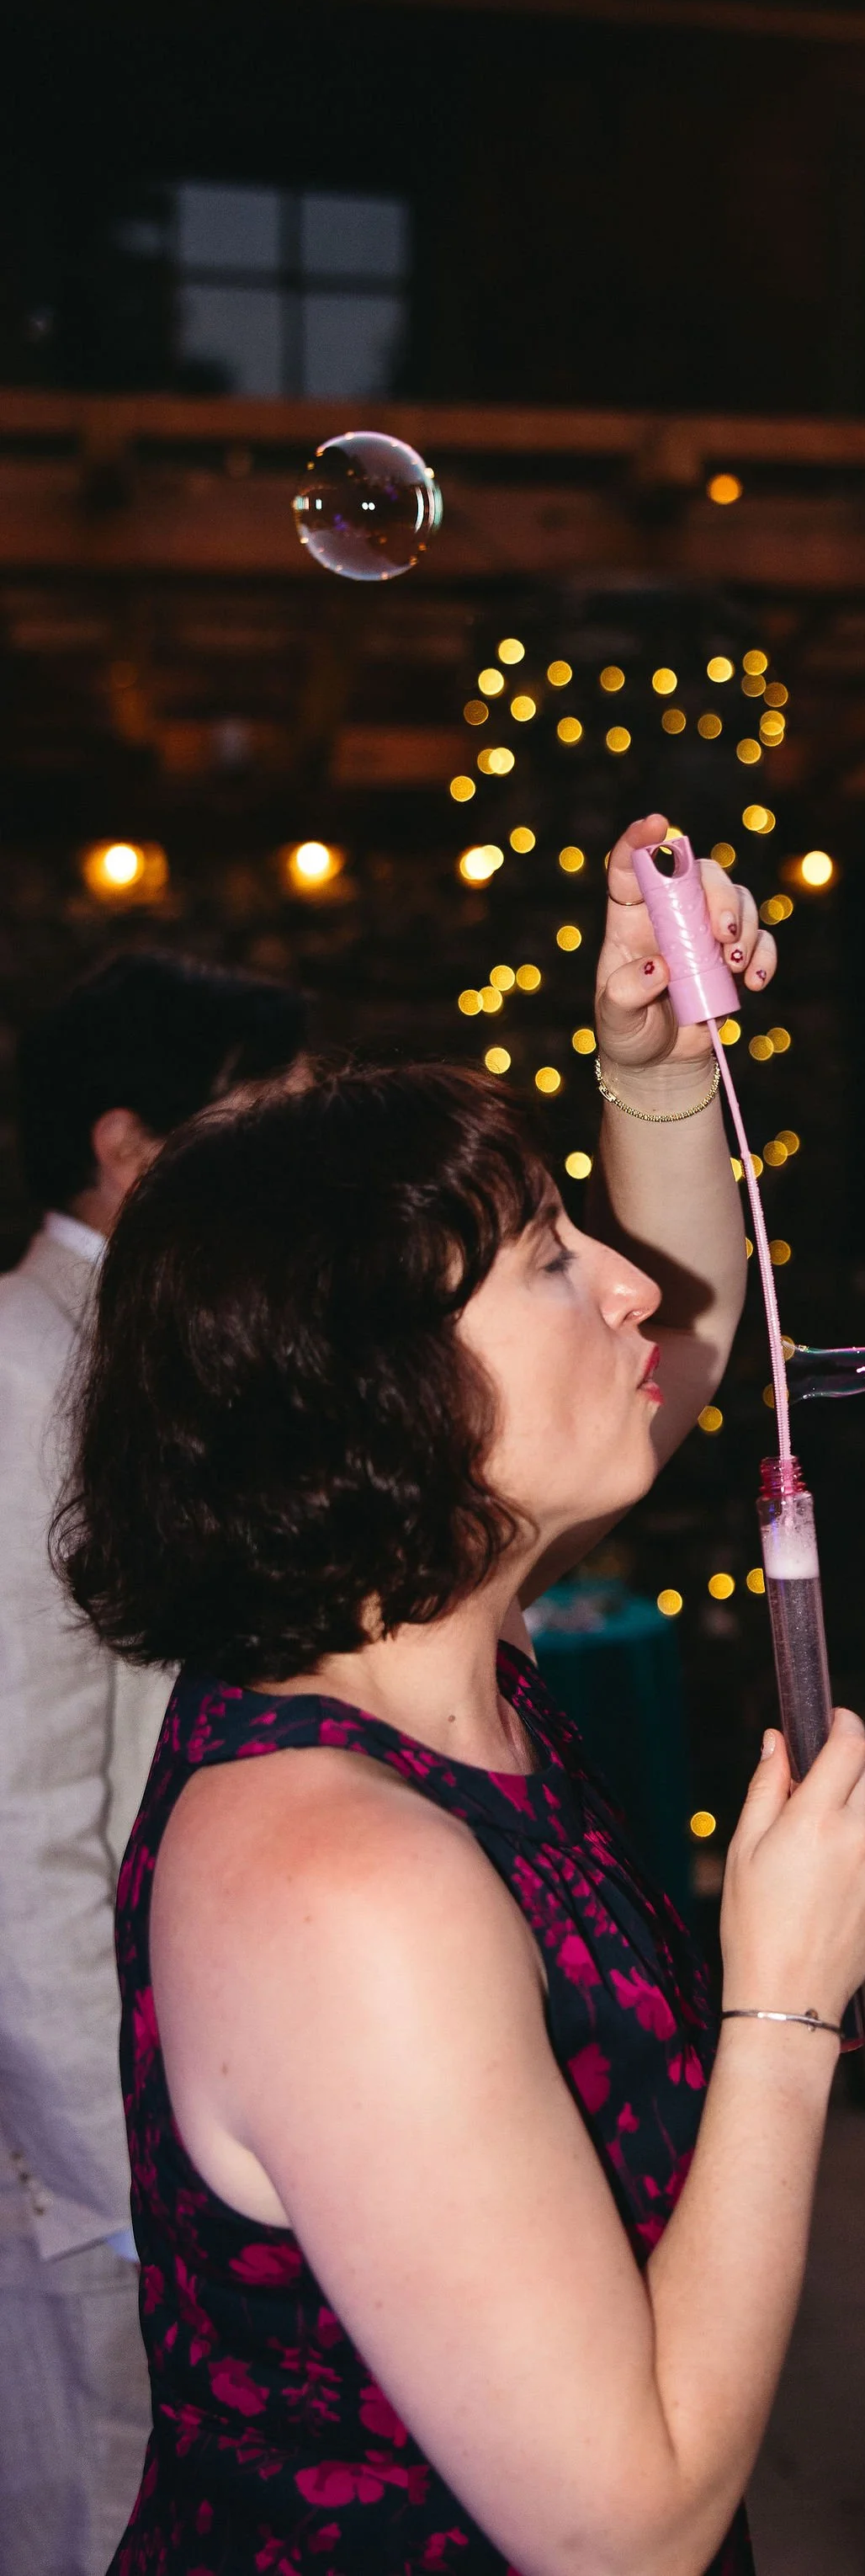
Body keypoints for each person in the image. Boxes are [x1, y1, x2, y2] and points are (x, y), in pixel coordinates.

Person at [50, 819, 865, 2574]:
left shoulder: (426, 1653)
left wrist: (651, 1073)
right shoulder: (338, 1881)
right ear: (373, 1403)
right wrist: (789, 2005)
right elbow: (626, 2528)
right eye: (541, 1259)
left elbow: (687, 1328)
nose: (620, 1282)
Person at [0, 950, 305, 2576]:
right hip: (96, 2149)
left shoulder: (175, 1338)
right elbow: (19, 1813)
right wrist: (122, 2183)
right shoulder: (22, 1361)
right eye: (262, 1123)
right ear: (128, 1143)